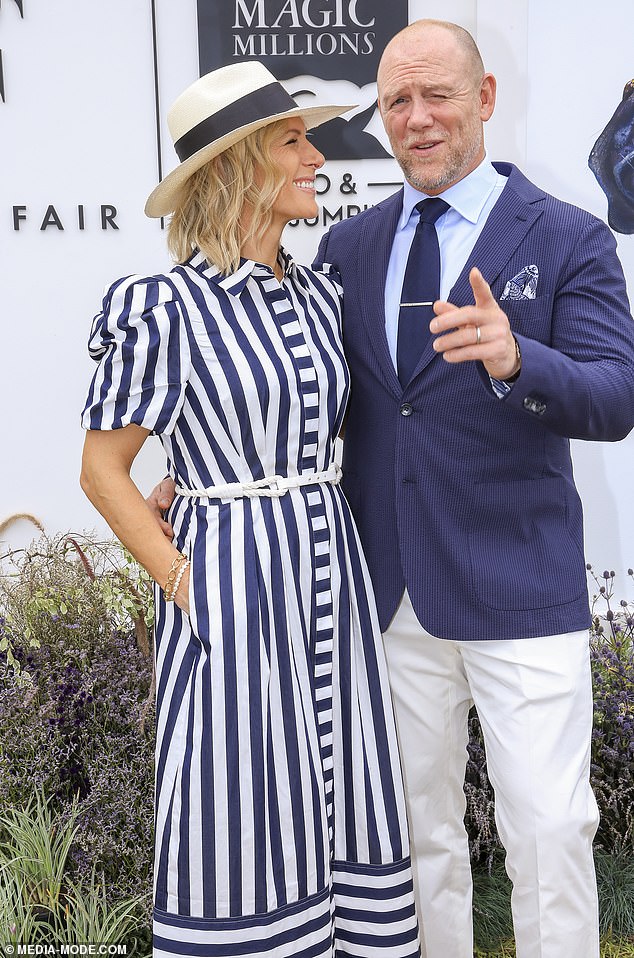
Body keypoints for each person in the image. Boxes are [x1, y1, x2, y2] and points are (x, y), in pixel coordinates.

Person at [148, 21, 634, 958]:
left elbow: (615, 398)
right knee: (415, 839)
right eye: (397, 103)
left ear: (485, 99)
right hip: (385, 594)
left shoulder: (568, 236)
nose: (415, 120)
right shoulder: (349, 249)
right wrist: (203, 472)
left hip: (519, 591)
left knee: (547, 834)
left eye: (437, 96)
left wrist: (516, 357)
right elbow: (324, 399)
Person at [80, 62, 420, 958]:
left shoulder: (318, 294)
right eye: (293, 141)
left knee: (336, 768)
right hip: (227, 570)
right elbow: (103, 470)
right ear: (237, 167)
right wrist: (185, 581)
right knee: (234, 784)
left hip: (324, 565)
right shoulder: (161, 308)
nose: (318, 156)